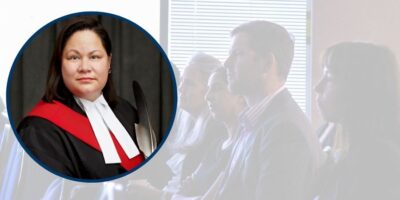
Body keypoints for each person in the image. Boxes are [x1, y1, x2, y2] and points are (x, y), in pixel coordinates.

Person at [17, 17, 145, 179]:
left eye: (95, 57)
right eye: (73, 57)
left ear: (109, 62)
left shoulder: (127, 111)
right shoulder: (38, 130)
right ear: (59, 63)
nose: (85, 68)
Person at [212, 20, 322, 200]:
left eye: (237, 54)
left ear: (267, 64)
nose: (226, 64)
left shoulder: (285, 130)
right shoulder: (251, 121)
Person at [315, 42, 400, 200]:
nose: (318, 87)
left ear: (357, 88)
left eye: (329, 78)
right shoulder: (327, 135)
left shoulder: (380, 159)